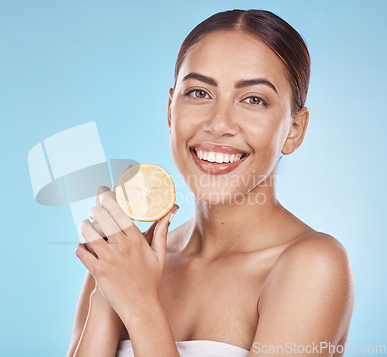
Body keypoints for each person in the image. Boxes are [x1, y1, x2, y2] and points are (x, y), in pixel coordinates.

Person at [67, 9, 354, 357]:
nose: (219, 124)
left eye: (254, 99)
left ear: (294, 130)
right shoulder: (124, 261)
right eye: (200, 93)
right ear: (170, 110)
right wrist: (108, 292)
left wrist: (139, 306)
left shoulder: (312, 267)